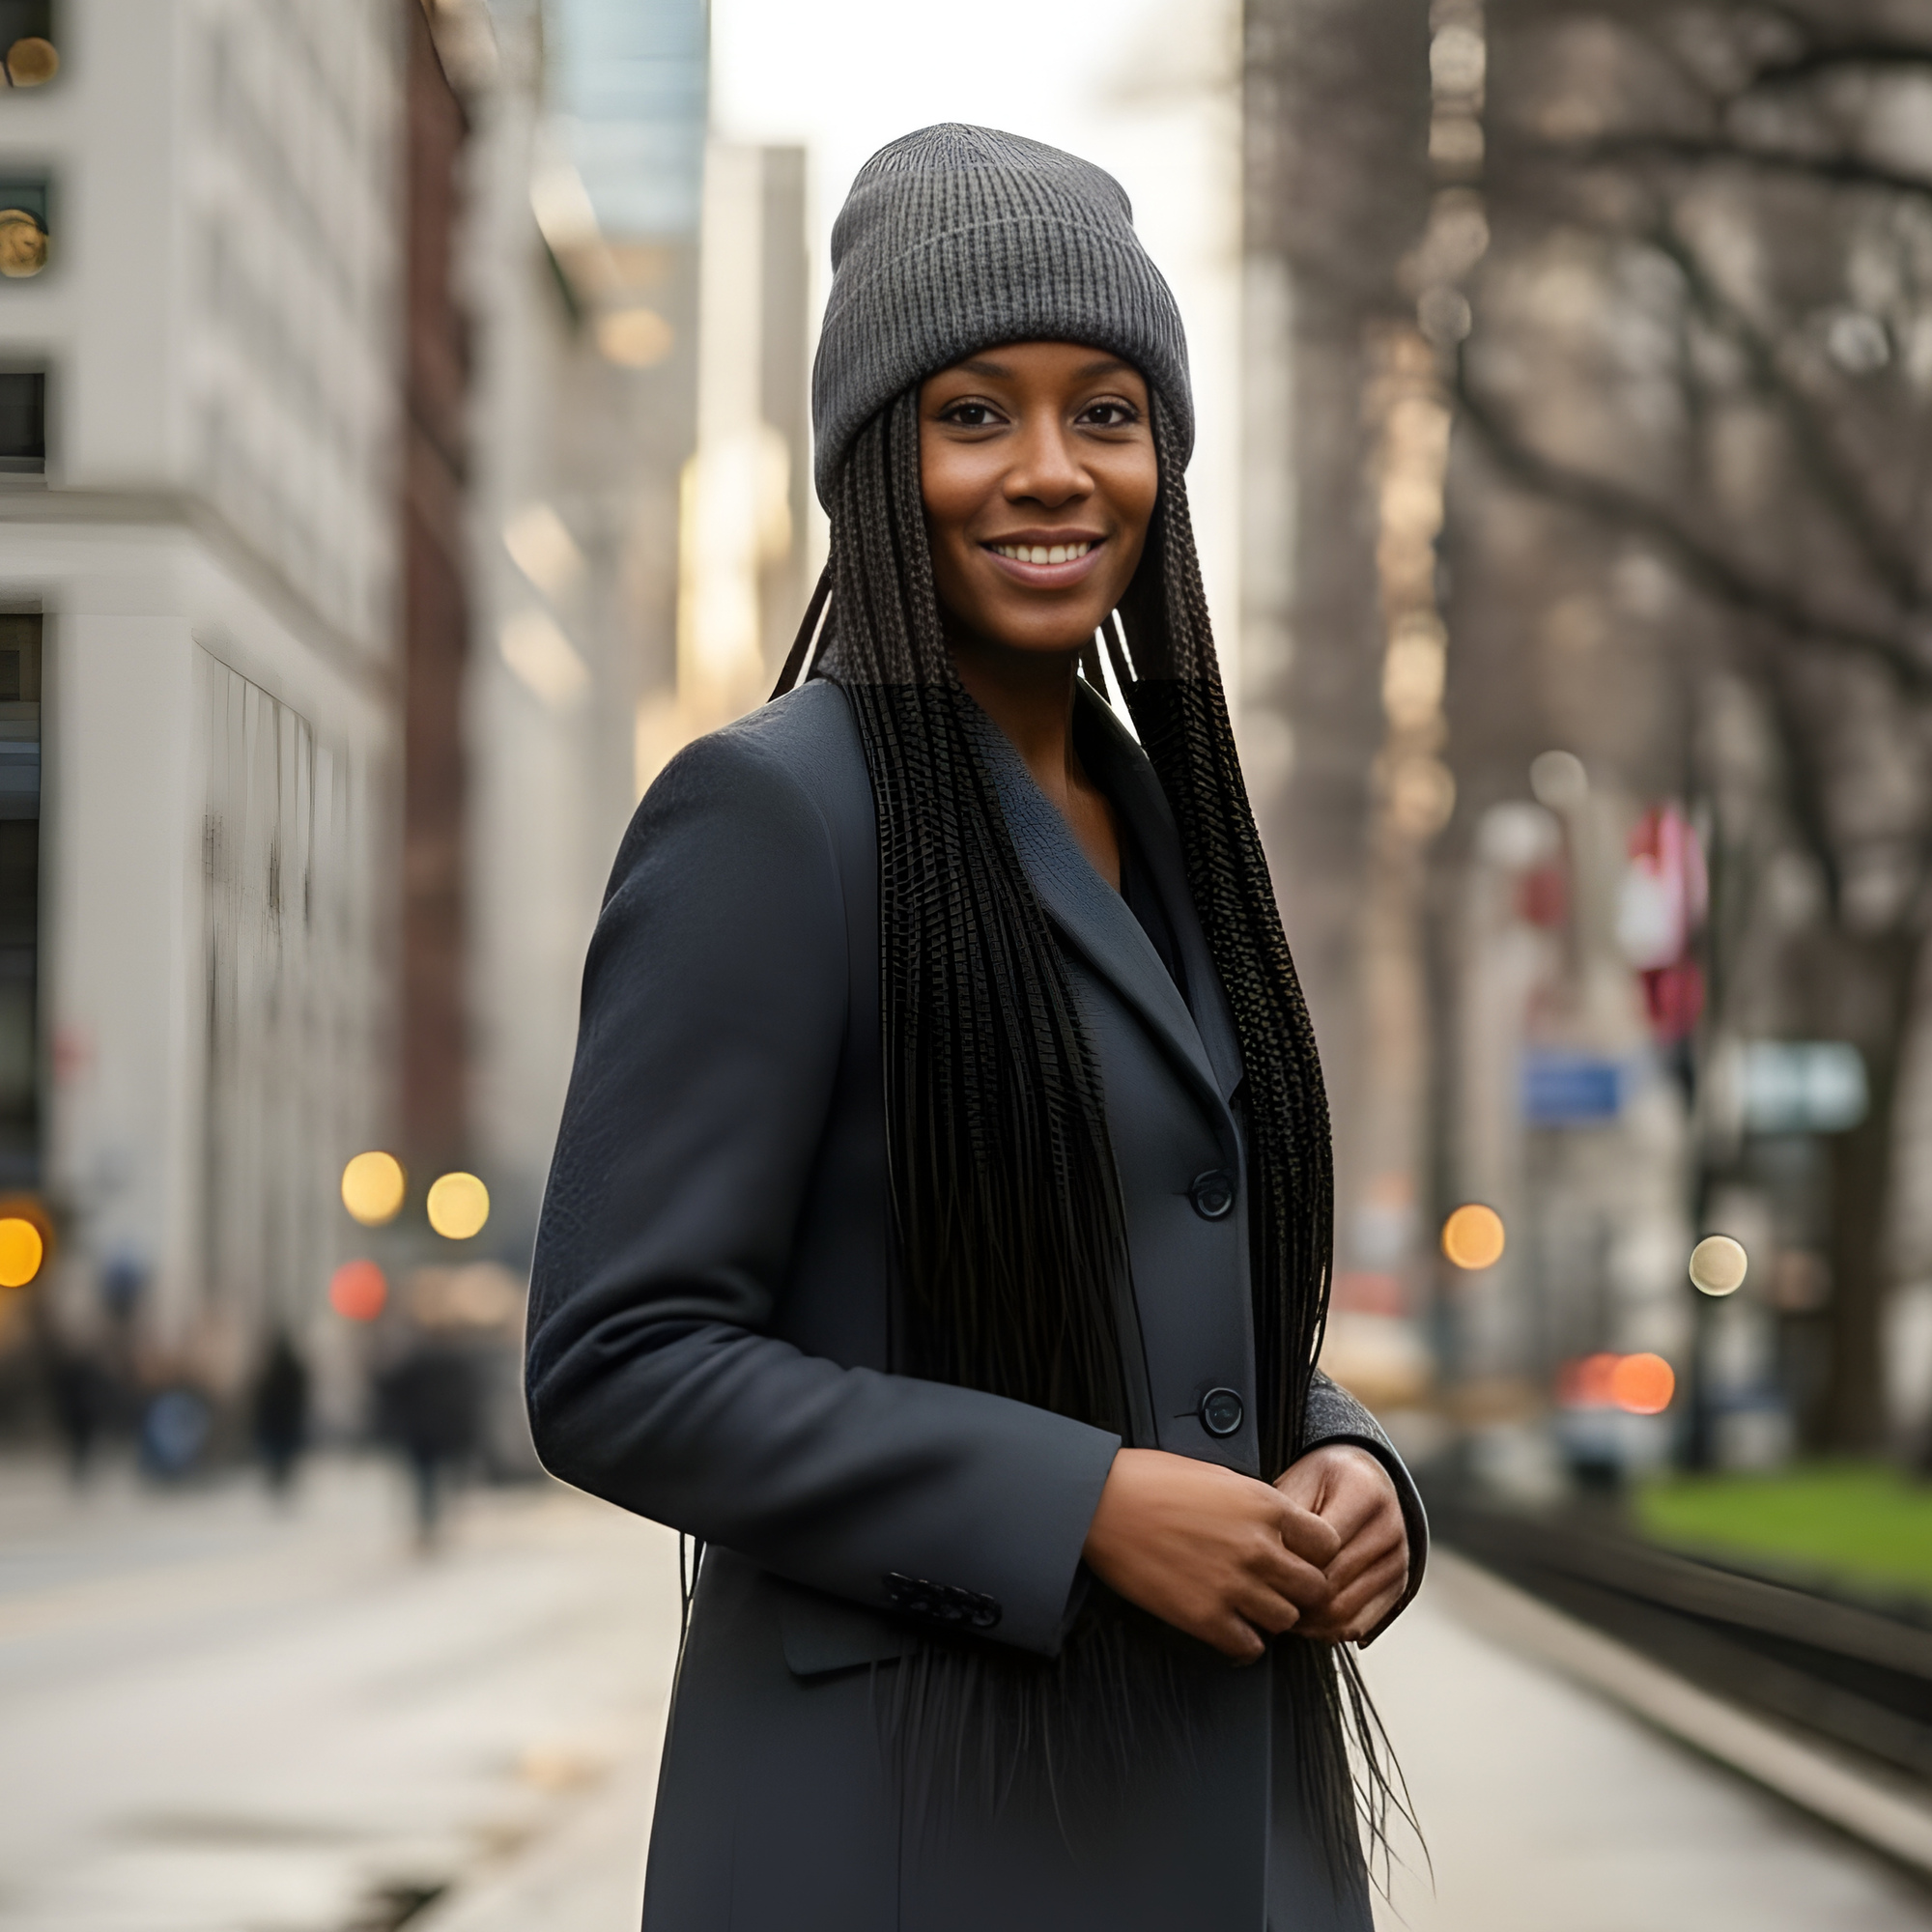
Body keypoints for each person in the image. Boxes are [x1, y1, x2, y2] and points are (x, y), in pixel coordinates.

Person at [527, 125, 1428, 1931]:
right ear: (877, 457)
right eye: (974, 415)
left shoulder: (1173, 832)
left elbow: (1163, 1272)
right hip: (909, 1837)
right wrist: (1081, 1505)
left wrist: (1346, 1461)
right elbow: (618, 1362)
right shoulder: (771, 817)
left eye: (1107, 411)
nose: (1052, 471)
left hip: (1228, 1819)